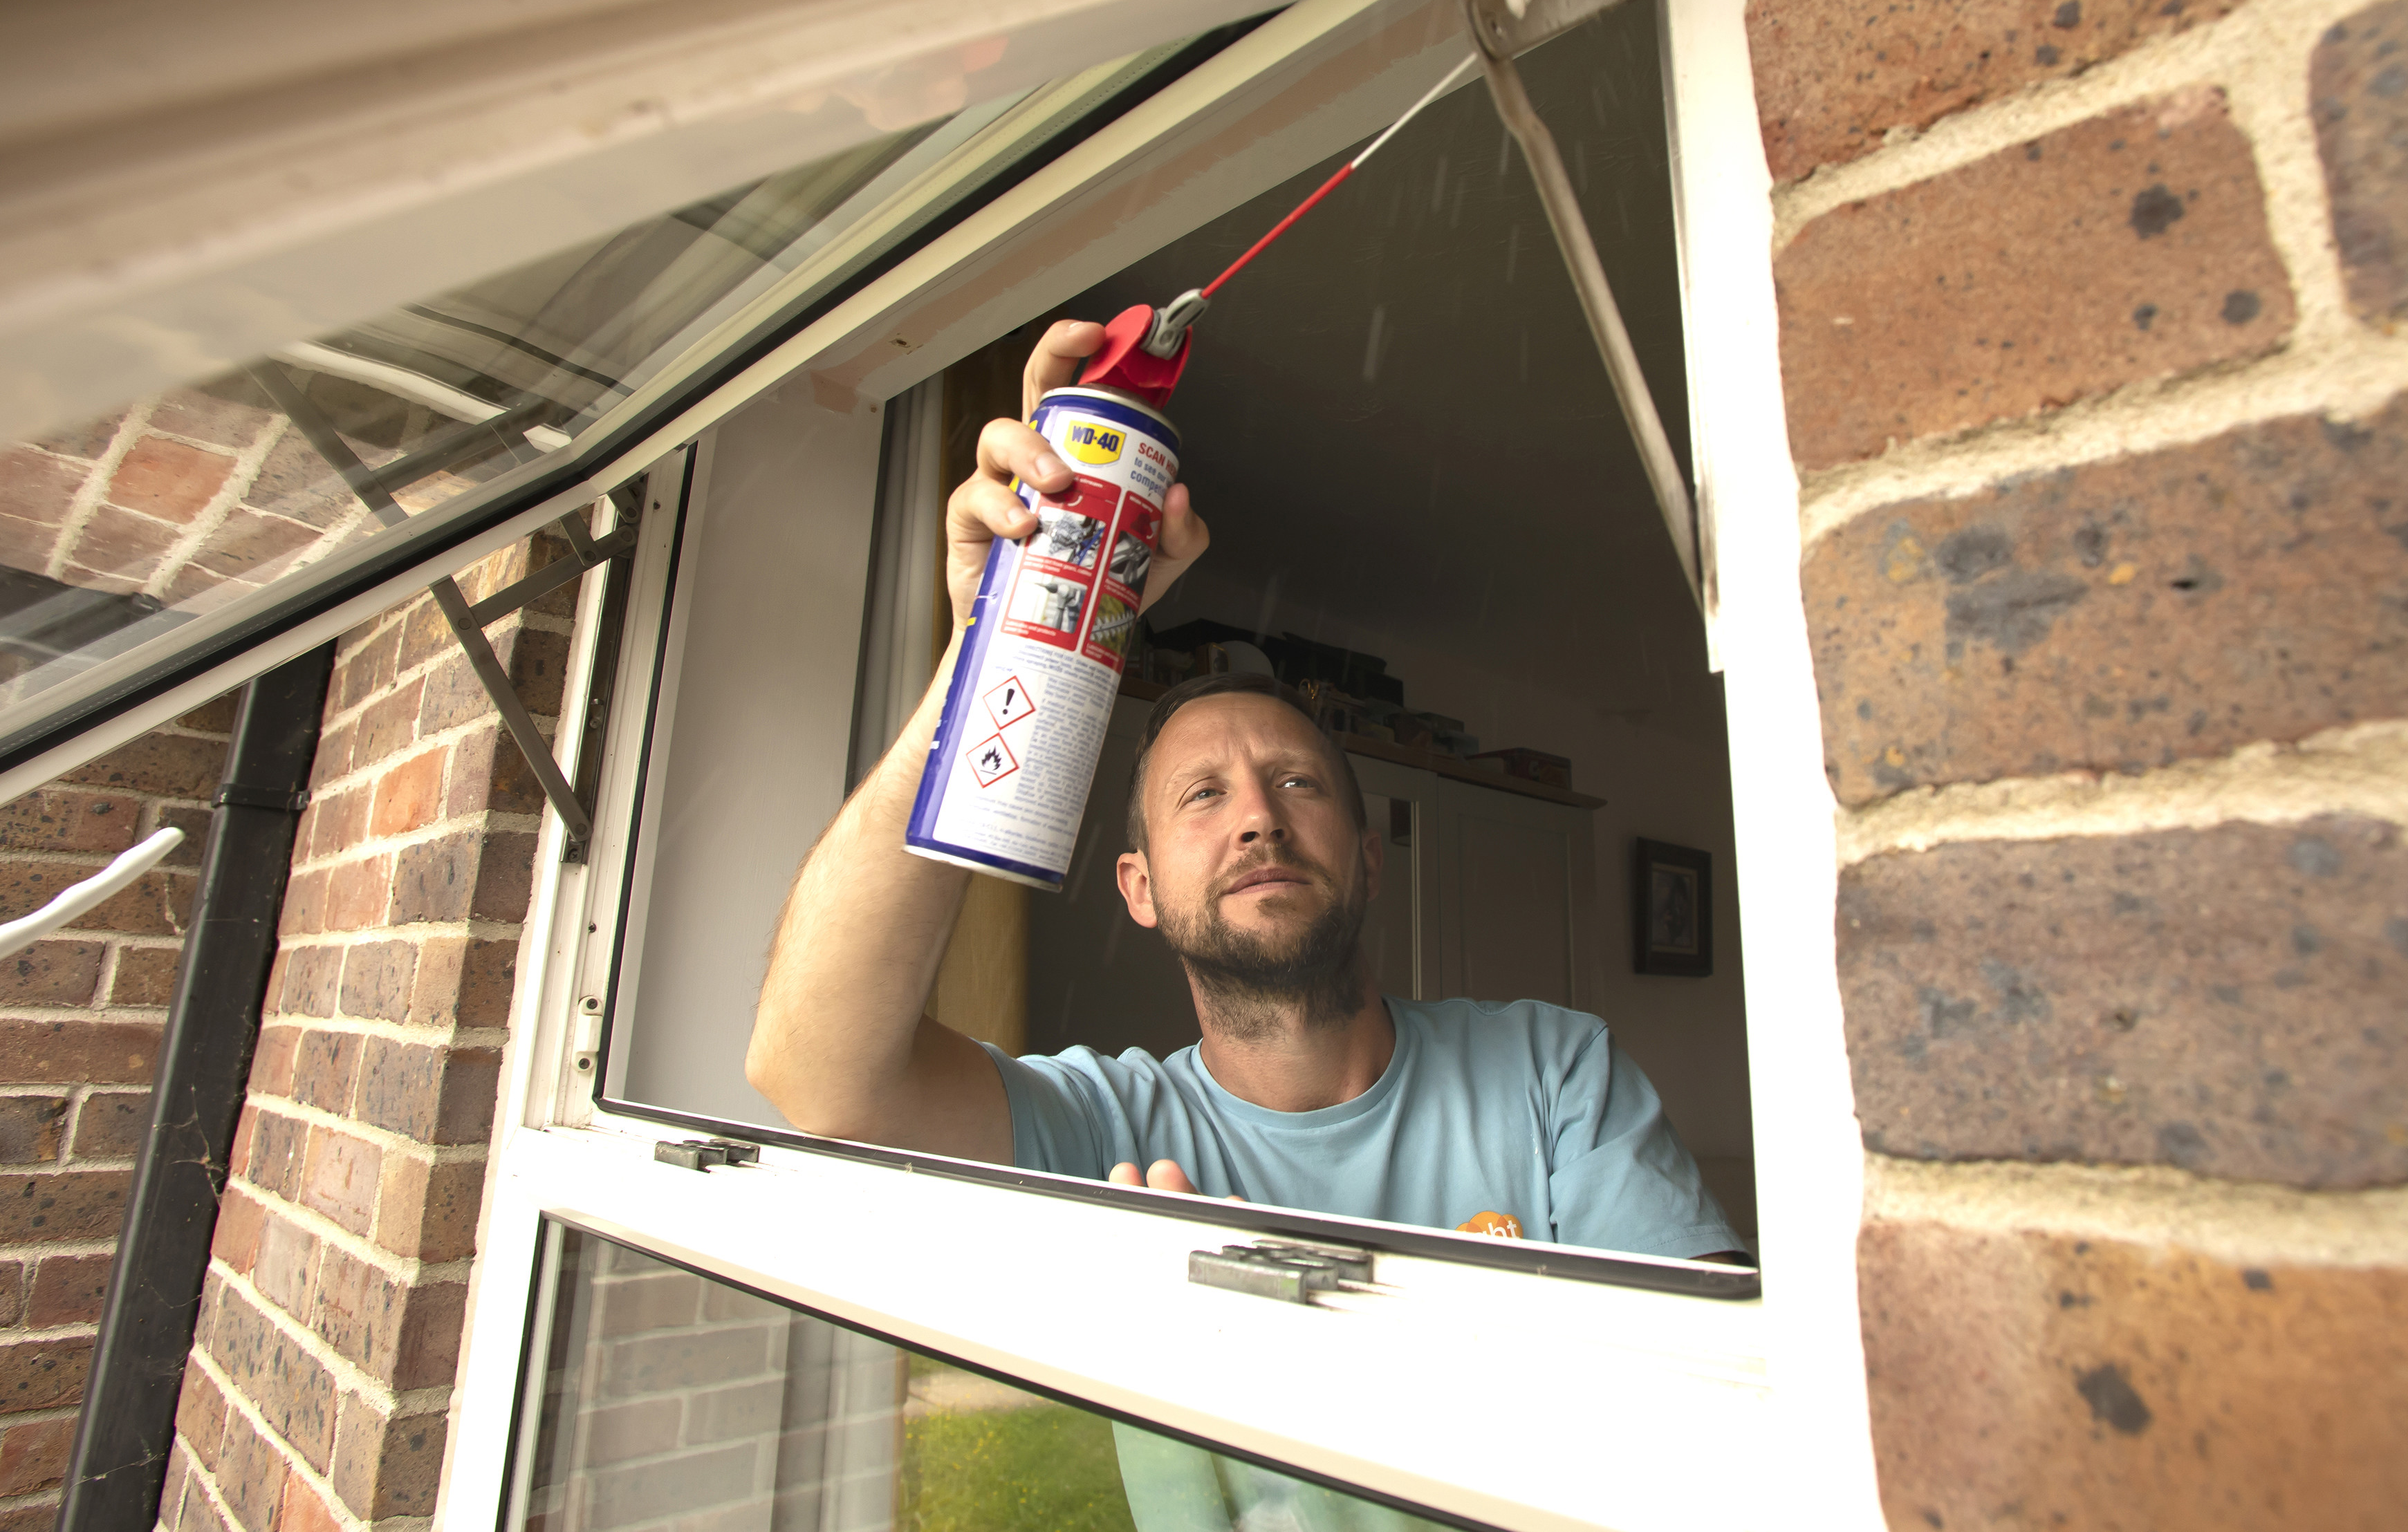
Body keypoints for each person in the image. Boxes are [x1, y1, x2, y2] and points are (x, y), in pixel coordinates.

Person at [746, 317, 1741, 1263]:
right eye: (1203, 796)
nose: (1259, 816)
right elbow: (817, 1073)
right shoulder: (1103, 1126)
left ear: (1366, 854)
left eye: (1296, 781)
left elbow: (1712, 1405)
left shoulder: (1551, 1074)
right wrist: (985, 649)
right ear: (1135, 887)